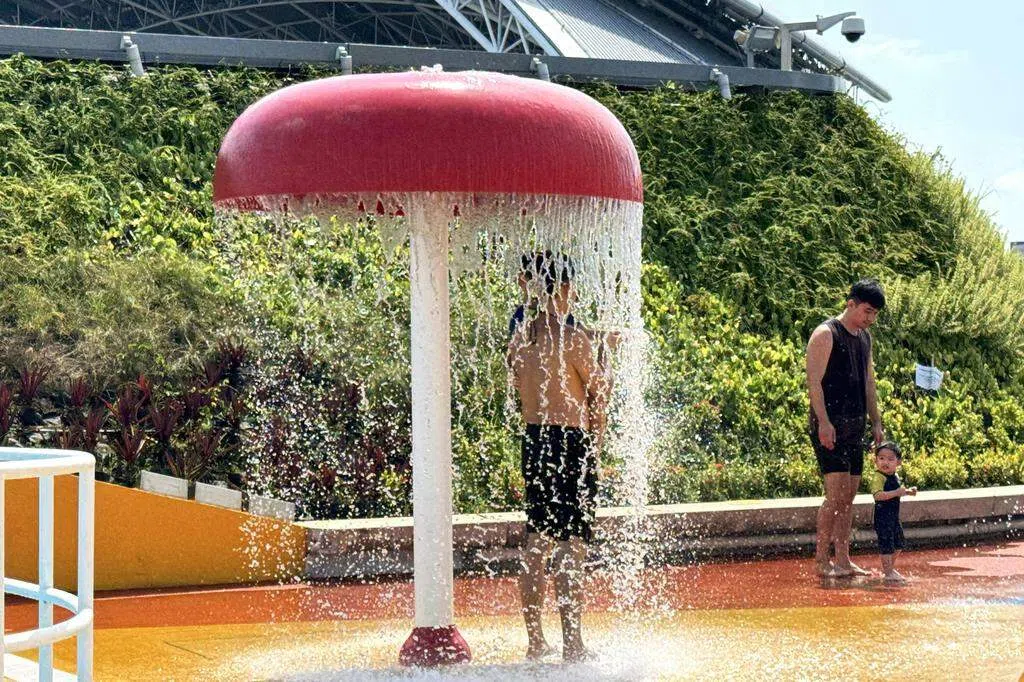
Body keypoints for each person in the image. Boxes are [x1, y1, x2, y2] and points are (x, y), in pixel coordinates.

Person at [506, 252, 611, 662]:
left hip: (535, 440)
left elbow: (519, 388)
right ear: (563, 288)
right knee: (571, 544)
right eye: (573, 288)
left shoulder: (521, 338)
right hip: (571, 442)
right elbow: (599, 393)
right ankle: (573, 644)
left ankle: (535, 640)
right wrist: (608, 359)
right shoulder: (572, 338)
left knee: (537, 541)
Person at [805, 279, 886, 578]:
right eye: (867, 311)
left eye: (875, 314)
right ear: (850, 304)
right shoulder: (825, 334)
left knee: (848, 498)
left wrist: (876, 421)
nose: (870, 319)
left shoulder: (865, 338)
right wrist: (824, 422)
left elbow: (869, 382)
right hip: (830, 426)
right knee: (835, 495)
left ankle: (843, 559)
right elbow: (814, 383)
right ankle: (821, 561)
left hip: (855, 426)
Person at [869, 441, 916, 583]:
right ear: (875, 460)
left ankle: (888, 568)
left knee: (899, 543)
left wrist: (908, 492)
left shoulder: (894, 476)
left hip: (893, 516)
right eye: (881, 458)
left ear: (898, 462)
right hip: (882, 517)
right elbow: (877, 495)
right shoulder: (878, 477)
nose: (885, 462)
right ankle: (888, 572)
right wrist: (896, 492)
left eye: (890, 459)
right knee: (886, 544)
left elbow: (898, 492)